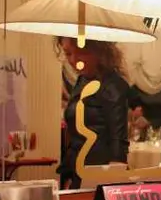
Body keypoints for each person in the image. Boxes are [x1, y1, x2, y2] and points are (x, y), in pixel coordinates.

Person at [55, 38, 130, 189]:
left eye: (81, 52)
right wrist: (68, 177)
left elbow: (118, 142)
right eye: (68, 53)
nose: (73, 60)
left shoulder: (113, 85)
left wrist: (112, 184)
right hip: (77, 171)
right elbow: (75, 137)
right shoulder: (82, 81)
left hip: (99, 174)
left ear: (99, 51)